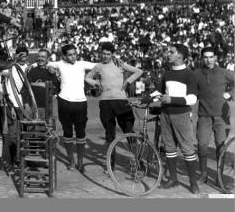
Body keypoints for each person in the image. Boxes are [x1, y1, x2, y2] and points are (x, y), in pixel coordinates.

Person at [85, 42, 143, 172]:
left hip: (121, 102)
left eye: (108, 54)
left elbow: (139, 71)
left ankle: (138, 162)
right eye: (103, 53)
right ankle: (111, 164)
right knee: (109, 134)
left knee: (129, 132)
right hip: (105, 103)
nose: (105, 56)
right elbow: (87, 77)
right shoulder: (98, 66)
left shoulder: (119, 63)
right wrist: (96, 82)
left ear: (112, 54)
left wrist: (128, 82)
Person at [150, 44, 200, 194]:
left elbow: (192, 98)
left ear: (180, 55)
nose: (168, 54)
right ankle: (173, 179)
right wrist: (144, 100)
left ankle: (193, 183)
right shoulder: (167, 73)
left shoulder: (189, 74)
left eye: (171, 52)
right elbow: (158, 92)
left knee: (187, 148)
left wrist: (172, 99)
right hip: (165, 114)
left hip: (182, 115)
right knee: (169, 147)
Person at [44, 44, 95, 172]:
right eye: (70, 55)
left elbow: (99, 66)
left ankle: (80, 161)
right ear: (64, 56)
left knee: (81, 133)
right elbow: (44, 62)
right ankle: (71, 160)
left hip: (80, 102)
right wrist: (49, 67)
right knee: (67, 132)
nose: (73, 57)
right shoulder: (60, 64)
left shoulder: (82, 64)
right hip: (64, 102)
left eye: (74, 54)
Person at [193, 46, 234, 185]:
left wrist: (231, 94)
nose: (208, 60)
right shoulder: (197, 74)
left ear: (215, 58)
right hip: (204, 116)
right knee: (202, 145)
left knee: (220, 146)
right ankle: (203, 174)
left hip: (221, 117)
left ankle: (219, 176)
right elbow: (191, 92)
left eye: (211, 57)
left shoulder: (223, 73)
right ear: (202, 58)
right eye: (206, 57)